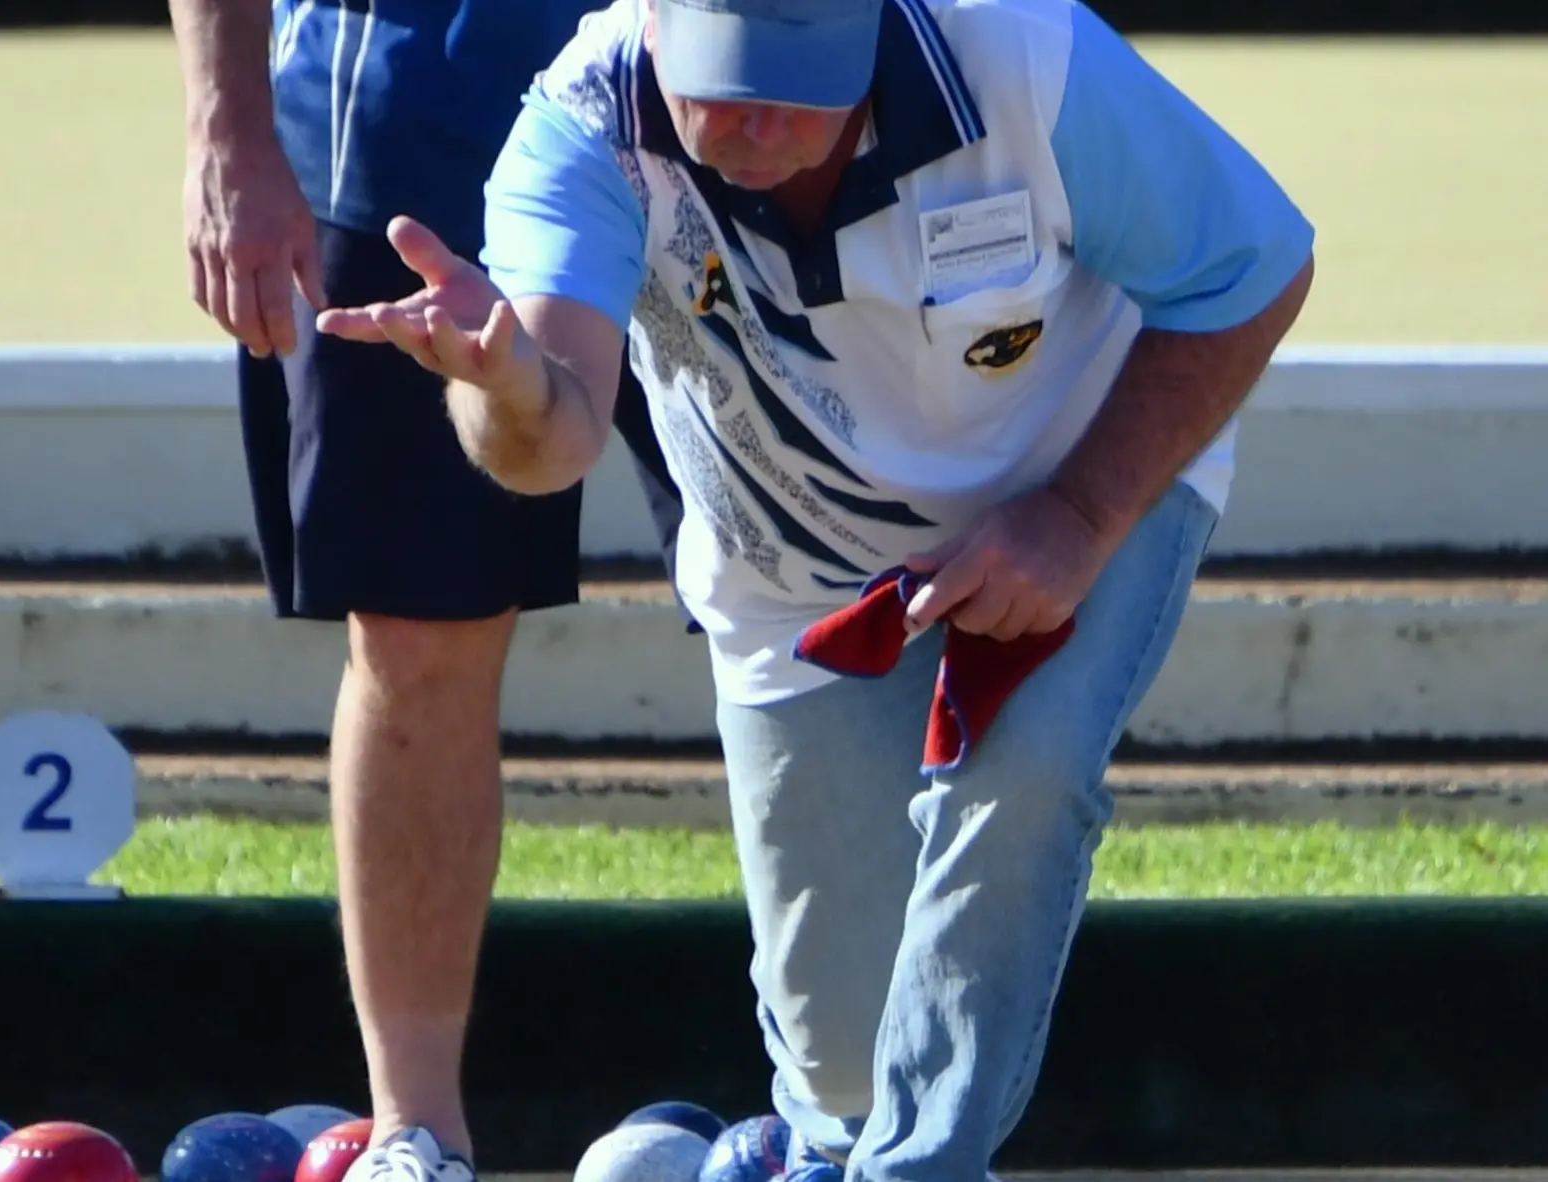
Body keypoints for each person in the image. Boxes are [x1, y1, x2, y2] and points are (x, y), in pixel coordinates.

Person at [317, 0, 1315, 1177]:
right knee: (841, 1067)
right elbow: (553, 442)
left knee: (1021, 781)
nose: (758, 125)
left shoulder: (1021, 55)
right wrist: (500, 384)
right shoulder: (585, 121)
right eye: (724, 87)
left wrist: (1080, 516)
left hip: (1076, 473)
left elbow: (1251, 266)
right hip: (793, 567)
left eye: (799, 85)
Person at [163, 2, 684, 1181]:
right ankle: (418, 1136)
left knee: (831, 606)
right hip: (411, 120)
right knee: (419, 632)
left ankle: (877, 1106)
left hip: (756, 104)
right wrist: (224, 125)